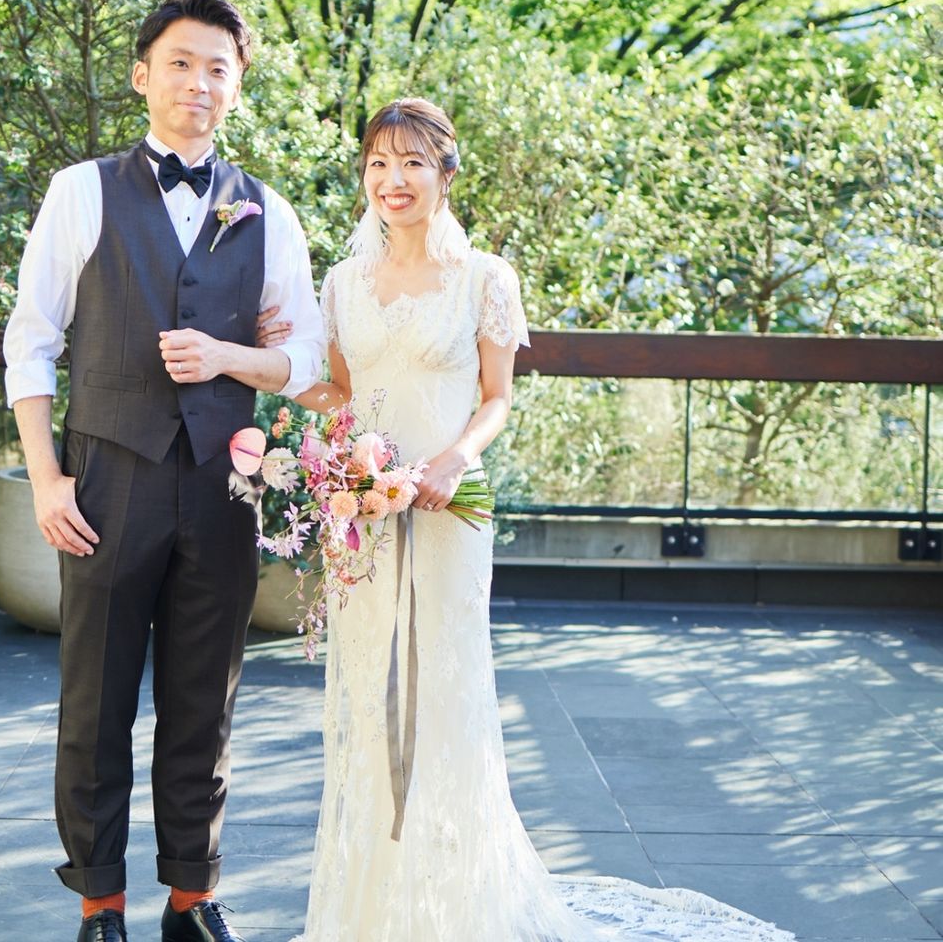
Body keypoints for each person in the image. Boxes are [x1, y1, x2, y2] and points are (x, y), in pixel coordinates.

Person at [257, 98, 795, 941]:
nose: (393, 180)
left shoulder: (485, 278)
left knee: (447, 695)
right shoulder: (342, 282)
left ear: (445, 174)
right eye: (378, 164)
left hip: (450, 512)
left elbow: (497, 398)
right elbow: (341, 394)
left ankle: (457, 908)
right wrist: (300, 418)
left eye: (412, 163)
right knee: (366, 694)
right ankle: (374, 907)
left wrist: (453, 460)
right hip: (362, 516)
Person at [3, 0, 324, 942]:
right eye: (180, 63)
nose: (198, 82)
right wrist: (47, 478)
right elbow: (31, 342)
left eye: (218, 68)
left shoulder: (269, 211)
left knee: (204, 702)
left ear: (238, 87)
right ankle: (100, 905)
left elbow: (307, 358)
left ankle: (192, 897)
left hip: (226, 483)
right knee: (94, 701)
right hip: (108, 478)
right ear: (143, 75)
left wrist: (228, 358)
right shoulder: (80, 191)